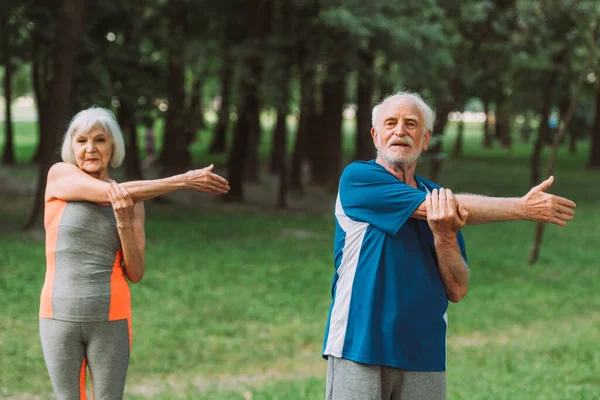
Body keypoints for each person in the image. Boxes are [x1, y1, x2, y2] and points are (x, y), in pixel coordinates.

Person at [323, 91, 576, 400]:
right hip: (359, 343)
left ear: (425, 138)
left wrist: (444, 236)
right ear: (376, 136)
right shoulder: (359, 178)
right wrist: (521, 207)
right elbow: (446, 208)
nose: (400, 131)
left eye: (411, 124)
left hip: (423, 352)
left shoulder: (440, 197)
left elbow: (457, 288)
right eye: (391, 123)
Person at [39, 107, 229, 400]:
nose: (90, 149)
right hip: (57, 314)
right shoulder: (59, 175)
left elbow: (136, 273)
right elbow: (110, 194)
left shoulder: (134, 200)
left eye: (100, 140)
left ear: (112, 146)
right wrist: (183, 180)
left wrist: (124, 223)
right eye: (82, 141)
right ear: (71, 146)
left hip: (111, 316)